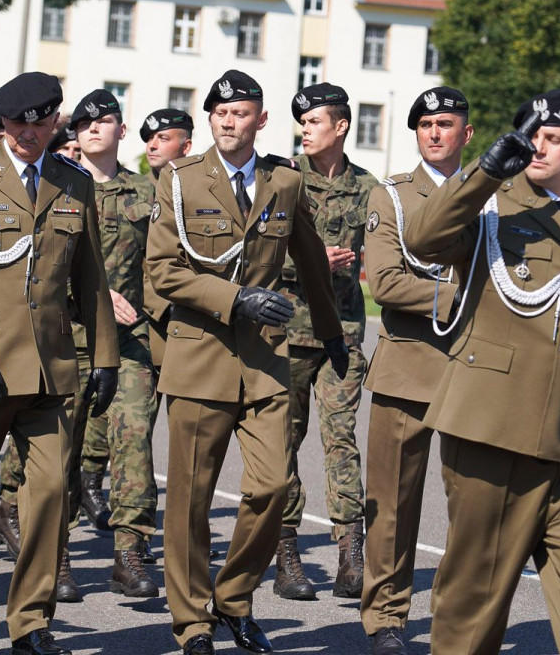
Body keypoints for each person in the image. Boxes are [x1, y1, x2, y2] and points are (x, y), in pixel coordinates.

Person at [404, 88, 560, 655]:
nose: (539, 147)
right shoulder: (489, 204)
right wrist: (485, 172)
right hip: (492, 432)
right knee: (473, 603)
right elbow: (422, 239)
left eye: (554, 138)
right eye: (532, 135)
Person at [148, 69, 346, 655]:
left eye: (240, 113)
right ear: (210, 120)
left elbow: (311, 259)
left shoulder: (283, 181)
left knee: (272, 486)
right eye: (220, 113)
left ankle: (233, 599)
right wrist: (234, 298)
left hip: (263, 361)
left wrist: (332, 334)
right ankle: (192, 622)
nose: (229, 122)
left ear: (261, 120)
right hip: (199, 356)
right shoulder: (180, 179)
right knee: (190, 501)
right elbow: (162, 270)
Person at [0, 71, 119, 655]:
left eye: (39, 124)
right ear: (4, 123)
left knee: (50, 496)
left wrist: (105, 355)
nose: (27, 134)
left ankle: (30, 621)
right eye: (16, 124)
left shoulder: (72, 182)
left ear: (55, 121)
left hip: (48, 369)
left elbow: (91, 278)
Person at [359, 87, 473, 655]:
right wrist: (463, 298)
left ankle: (458, 620)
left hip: (474, 371)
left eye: (445, 123)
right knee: (392, 506)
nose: (433, 132)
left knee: (473, 509)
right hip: (407, 365)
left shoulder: (494, 197)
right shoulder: (393, 196)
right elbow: (384, 281)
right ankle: (386, 618)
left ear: (466, 134)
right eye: (425, 124)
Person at [275, 83, 377, 601]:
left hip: (342, 334)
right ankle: (286, 552)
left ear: (341, 126)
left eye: (314, 121)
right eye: (302, 122)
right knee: (283, 442)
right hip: (288, 333)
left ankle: (351, 554)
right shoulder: (282, 179)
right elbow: (256, 253)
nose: (305, 130)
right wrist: (312, 262)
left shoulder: (369, 188)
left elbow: (383, 253)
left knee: (341, 439)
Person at [65, 88, 160, 598]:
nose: (93, 128)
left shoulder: (146, 192)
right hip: (63, 339)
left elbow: (165, 263)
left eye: (103, 121)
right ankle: (54, 554)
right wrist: (94, 295)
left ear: (122, 130)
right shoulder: (55, 186)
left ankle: (129, 551)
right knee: (58, 449)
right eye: (84, 123)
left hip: (128, 342)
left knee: (134, 437)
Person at [139, 107, 194, 373]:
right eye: (149, 138)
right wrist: (162, 303)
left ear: (186, 146)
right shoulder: (135, 192)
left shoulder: (203, 190)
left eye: (162, 138)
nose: (152, 145)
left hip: (195, 317)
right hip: (147, 319)